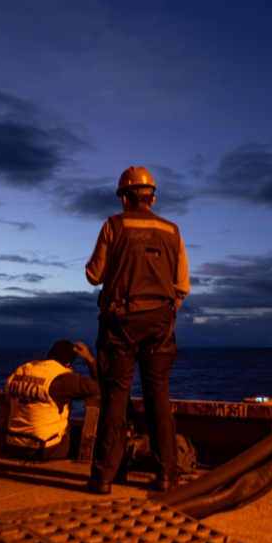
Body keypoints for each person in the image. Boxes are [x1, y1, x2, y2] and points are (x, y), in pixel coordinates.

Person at [85, 166, 190, 494]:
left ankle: (105, 476)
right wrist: (167, 309)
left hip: (120, 324)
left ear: (124, 199)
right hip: (160, 324)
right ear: (153, 198)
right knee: (158, 396)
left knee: (114, 398)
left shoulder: (113, 226)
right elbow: (182, 285)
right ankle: (166, 476)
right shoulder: (173, 231)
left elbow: (94, 275)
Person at [5, 339, 100, 461]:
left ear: (49, 355)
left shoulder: (19, 372)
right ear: (67, 364)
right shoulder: (63, 378)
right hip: (45, 449)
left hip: (13, 445)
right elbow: (102, 387)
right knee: (83, 436)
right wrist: (90, 360)